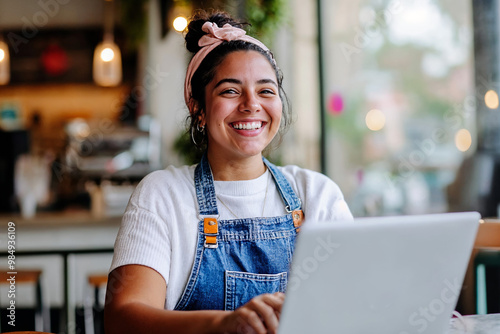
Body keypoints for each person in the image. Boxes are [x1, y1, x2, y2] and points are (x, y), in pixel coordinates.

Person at [104, 10, 353, 334]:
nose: (251, 104)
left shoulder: (316, 193)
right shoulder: (163, 194)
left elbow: (354, 304)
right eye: (230, 91)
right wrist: (224, 324)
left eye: (266, 90)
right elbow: (122, 319)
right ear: (199, 108)